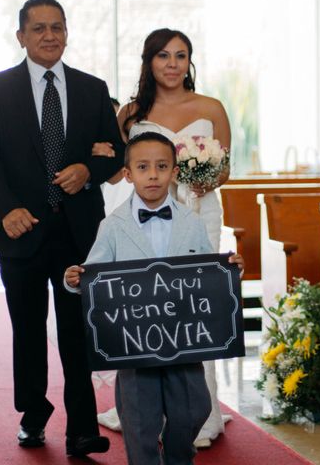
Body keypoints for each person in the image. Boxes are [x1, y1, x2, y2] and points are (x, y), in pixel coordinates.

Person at [0, 0, 124, 456]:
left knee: (78, 331)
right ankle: (33, 414)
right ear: (21, 37)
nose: (49, 35)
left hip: (78, 232)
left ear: (67, 33)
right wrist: (6, 208)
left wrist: (87, 171)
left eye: (57, 27)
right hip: (20, 229)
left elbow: (116, 152)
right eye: (38, 29)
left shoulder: (93, 89)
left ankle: (81, 428)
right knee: (29, 329)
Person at [64, 132, 244, 465]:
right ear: (129, 174)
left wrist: (230, 270)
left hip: (183, 343)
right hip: (134, 350)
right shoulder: (113, 226)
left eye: (161, 166)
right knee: (139, 421)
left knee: (194, 409)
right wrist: (76, 279)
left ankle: (179, 455)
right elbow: (95, 274)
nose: (153, 175)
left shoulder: (190, 222)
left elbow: (206, 271)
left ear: (174, 172)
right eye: (143, 167)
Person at [93, 27, 232, 448]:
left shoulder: (211, 107)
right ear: (149, 61)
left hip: (197, 212)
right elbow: (122, 168)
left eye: (181, 55)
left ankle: (199, 413)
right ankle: (143, 410)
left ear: (190, 61)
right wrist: (101, 158)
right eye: (163, 56)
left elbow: (226, 167)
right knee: (147, 305)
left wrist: (201, 176)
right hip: (142, 219)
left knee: (192, 306)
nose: (172, 64)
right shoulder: (131, 113)